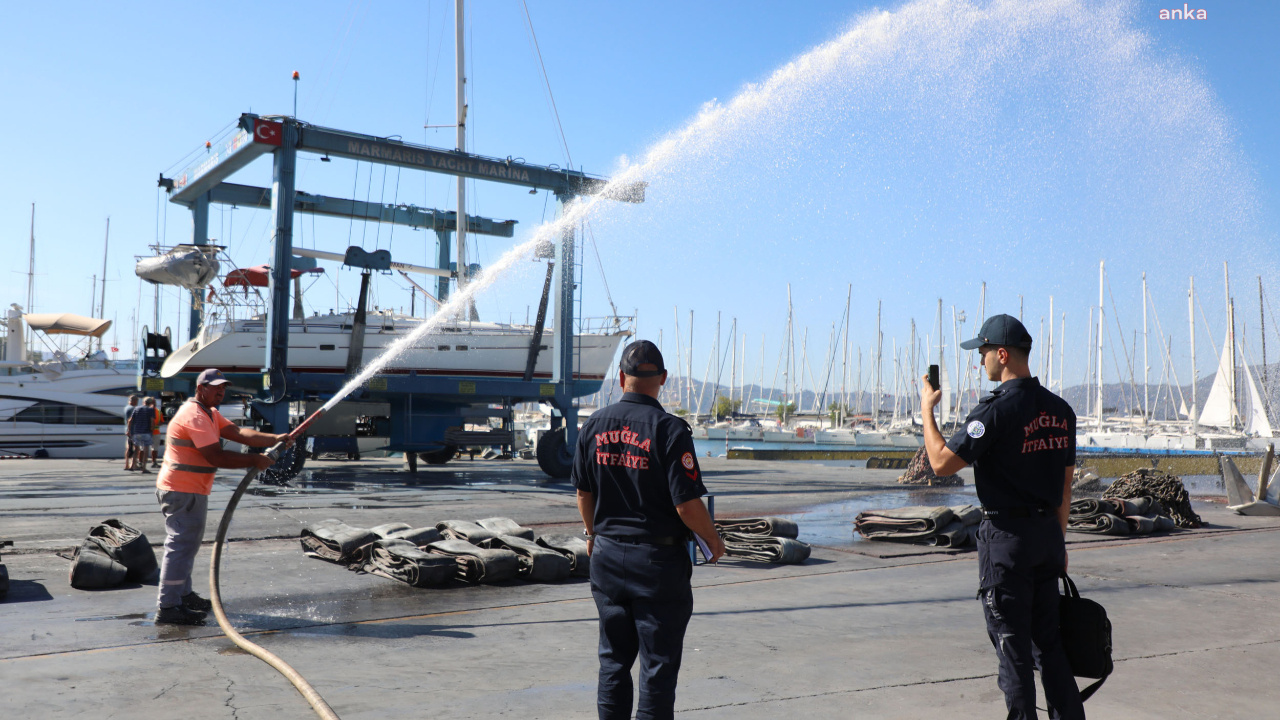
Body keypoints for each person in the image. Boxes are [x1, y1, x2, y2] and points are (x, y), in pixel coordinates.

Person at [919, 314, 1083, 720]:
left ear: (1003, 354)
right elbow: (1065, 488)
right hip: (1047, 537)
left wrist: (927, 409)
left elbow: (940, 463)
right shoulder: (1061, 411)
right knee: (1049, 646)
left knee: (1013, 651)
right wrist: (1058, 544)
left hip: (1007, 542)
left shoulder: (995, 411)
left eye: (983, 352)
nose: (980, 361)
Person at [572, 340, 726, 720]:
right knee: (657, 669)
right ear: (663, 380)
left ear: (621, 378)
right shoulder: (670, 430)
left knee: (612, 663)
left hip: (606, 557)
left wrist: (592, 535)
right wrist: (713, 540)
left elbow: (583, 492)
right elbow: (687, 505)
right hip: (657, 565)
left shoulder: (593, 425)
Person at [153, 369, 291, 626]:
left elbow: (238, 433)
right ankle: (169, 606)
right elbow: (215, 457)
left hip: (190, 489)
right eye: (215, 387)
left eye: (223, 387)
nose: (220, 391)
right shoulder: (194, 415)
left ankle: (183, 595)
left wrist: (274, 438)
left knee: (187, 546)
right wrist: (254, 459)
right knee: (181, 547)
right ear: (200, 388)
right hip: (181, 490)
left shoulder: (210, 413)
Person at [128, 396, 156, 474]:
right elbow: (152, 421)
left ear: (143, 402)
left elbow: (130, 420)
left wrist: (129, 430)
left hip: (137, 432)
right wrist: (152, 429)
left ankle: (132, 466)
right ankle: (143, 468)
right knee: (146, 449)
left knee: (136, 449)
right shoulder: (151, 409)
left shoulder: (136, 408)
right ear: (150, 403)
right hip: (146, 432)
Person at [122, 394, 139, 470]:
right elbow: (130, 420)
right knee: (136, 448)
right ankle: (133, 464)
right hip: (133, 430)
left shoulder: (126, 408)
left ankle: (126, 464)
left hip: (127, 430)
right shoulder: (133, 409)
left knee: (128, 448)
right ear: (134, 401)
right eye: (137, 401)